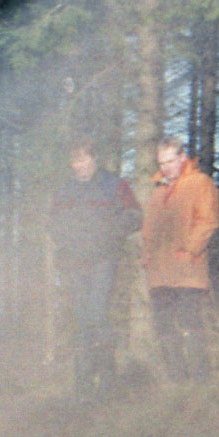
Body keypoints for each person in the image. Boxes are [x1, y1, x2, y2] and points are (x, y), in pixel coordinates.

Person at [47, 139, 142, 395]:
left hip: (104, 260)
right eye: (75, 160)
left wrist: (110, 234)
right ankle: (83, 386)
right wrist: (66, 243)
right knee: (82, 321)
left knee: (98, 315)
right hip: (76, 263)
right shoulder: (65, 191)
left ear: (94, 158)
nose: (79, 165)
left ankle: (108, 379)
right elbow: (52, 223)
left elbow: (134, 216)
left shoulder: (114, 185)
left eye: (84, 159)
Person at [140, 136, 219, 381]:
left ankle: (200, 382)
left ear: (182, 157)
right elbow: (149, 231)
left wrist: (189, 249)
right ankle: (178, 382)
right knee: (164, 329)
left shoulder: (200, 183)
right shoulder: (158, 192)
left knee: (190, 326)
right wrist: (147, 257)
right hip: (160, 274)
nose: (166, 167)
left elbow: (208, 221)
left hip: (188, 271)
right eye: (161, 162)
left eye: (171, 161)